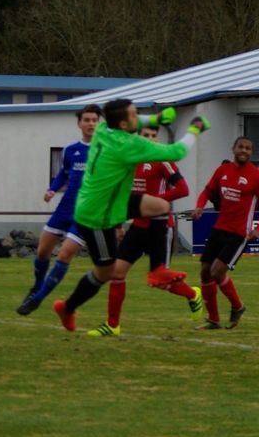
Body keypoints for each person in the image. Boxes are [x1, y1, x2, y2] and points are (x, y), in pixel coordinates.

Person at [51, 101, 210, 332]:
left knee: (160, 206)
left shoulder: (105, 130)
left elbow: (136, 122)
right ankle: (68, 307)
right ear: (125, 124)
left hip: (111, 202)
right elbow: (178, 151)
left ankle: (157, 268)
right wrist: (195, 127)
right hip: (99, 216)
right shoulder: (130, 145)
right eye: (135, 114)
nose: (141, 118)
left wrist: (156, 120)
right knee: (106, 272)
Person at [86, 124, 202, 337]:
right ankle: (113, 325)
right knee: (117, 272)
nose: (149, 138)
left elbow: (183, 189)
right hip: (137, 228)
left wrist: (155, 202)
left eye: (153, 136)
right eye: (145, 135)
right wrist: (119, 225)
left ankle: (192, 294)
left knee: (158, 281)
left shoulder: (162, 160)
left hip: (160, 228)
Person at [17, 104, 102, 315]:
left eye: (94, 120)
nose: (91, 123)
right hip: (65, 209)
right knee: (43, 251)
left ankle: (38, 299)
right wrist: (51, 189)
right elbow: (63, 174)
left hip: (86, 213)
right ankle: (37, 286)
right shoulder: (70, 150)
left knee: (64, 255)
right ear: (79, 123)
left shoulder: (104, 150)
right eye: (87, 120)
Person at [191, 136, 259, 330]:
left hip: (239, 233)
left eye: (248, 148)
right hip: (220, 228)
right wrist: (199, 207)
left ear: (251, 152)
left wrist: (258, 228)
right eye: (241, 147)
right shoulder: (223, 170)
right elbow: (207, 191)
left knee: (216, 271)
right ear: (233, 148)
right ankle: (213, 320)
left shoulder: (257, 176)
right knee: (205, 272)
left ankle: (237, 306)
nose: (244, 151)